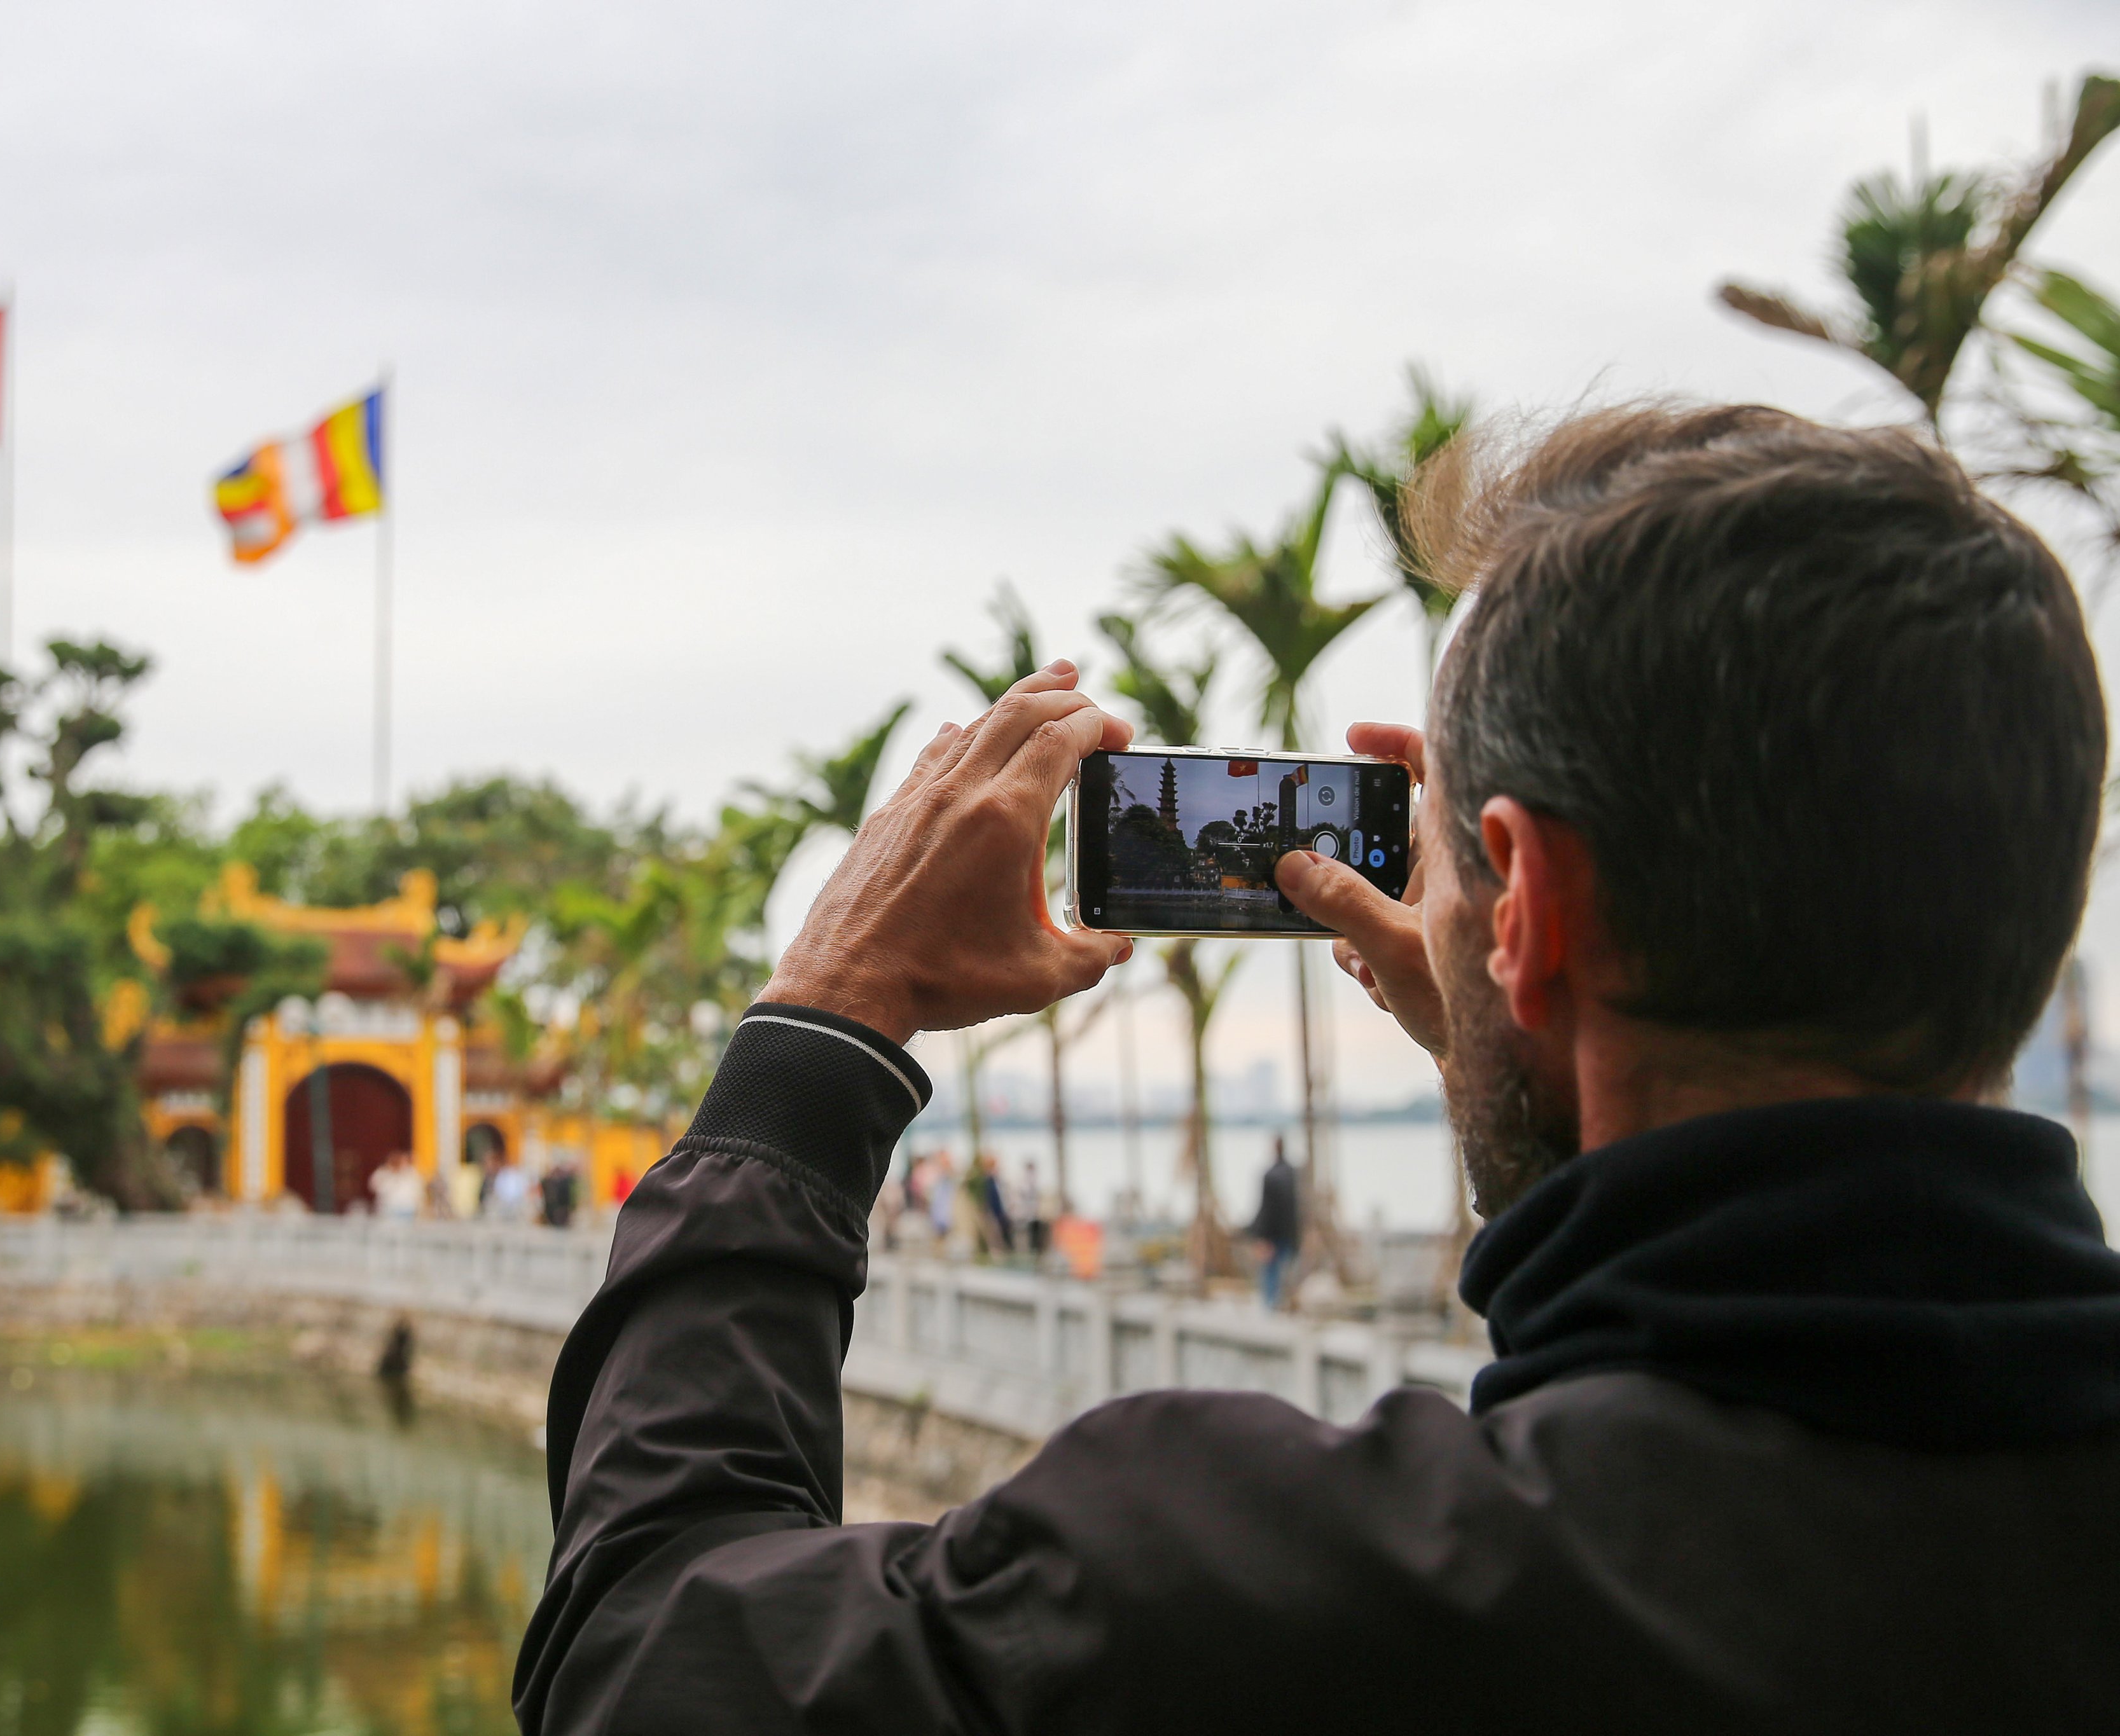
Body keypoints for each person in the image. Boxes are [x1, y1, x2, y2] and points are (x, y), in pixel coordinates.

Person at [515, 404, 2120, 1730]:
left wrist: (823, 1023)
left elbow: (648, 1657)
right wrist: (1525, 1017)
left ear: (1532, 902)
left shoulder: (1266, 1590)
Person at [1245, 1133, 1299, 1309]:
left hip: (1273, 1234)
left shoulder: (1271, 1175)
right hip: (1290, 1233)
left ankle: (1270, 1306)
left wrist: (1261, 1236)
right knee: (1286, 1270)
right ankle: (1281, 1303)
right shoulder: (1293, 1174)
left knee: (1271, 1272)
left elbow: (1266, 1209)